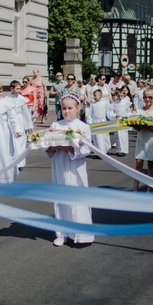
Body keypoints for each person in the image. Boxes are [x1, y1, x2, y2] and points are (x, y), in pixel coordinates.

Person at [46, 93, 94, 247]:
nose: (67, 111)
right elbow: (47, 146)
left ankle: (81, 234)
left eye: (70, 108)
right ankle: (62, 233)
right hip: (60, 165)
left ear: (77, 108)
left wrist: (70, 148)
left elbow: (87, 149)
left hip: (75, 167)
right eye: (64, 108)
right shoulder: (55, 125)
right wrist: (53, 145)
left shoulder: (83, 127)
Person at [7, 80, 33, 170]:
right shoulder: (7, 99)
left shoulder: (21, 99)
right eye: (17, 88)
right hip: (10, 122)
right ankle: (12, 161)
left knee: (20, 142)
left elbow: (25, 113)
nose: (19, 90)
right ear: (12, 89)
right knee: (12, 142)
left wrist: (29, 125)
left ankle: (20, 163)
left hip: (20, 121)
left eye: (19, 88)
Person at [108, 86, 132, 156]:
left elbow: (129, 112)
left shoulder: (126, 102)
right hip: (117, 120)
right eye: (118, 95)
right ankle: (119, 150)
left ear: (124, 95)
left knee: (124, 135)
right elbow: (110, 112)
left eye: (121, 95)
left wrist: (126, 116)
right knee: (117, 135)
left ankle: (124, 150)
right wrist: (115, 115)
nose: (120, 97)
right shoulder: (114, 103)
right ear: (116, 95)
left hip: (123, 120)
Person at [86, 89, 111, 153]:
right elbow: (90, 114)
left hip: (103, 122)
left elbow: (108, 112)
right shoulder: (92, 104)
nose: (94, 97)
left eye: (95, 95)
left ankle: (105, 149)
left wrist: (114, 116)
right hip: (95, 122)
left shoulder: (104, 103)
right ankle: (99, 152)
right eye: (93, 95)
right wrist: (90, 122)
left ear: (100, 95)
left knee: (104, 137)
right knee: (97, 138)